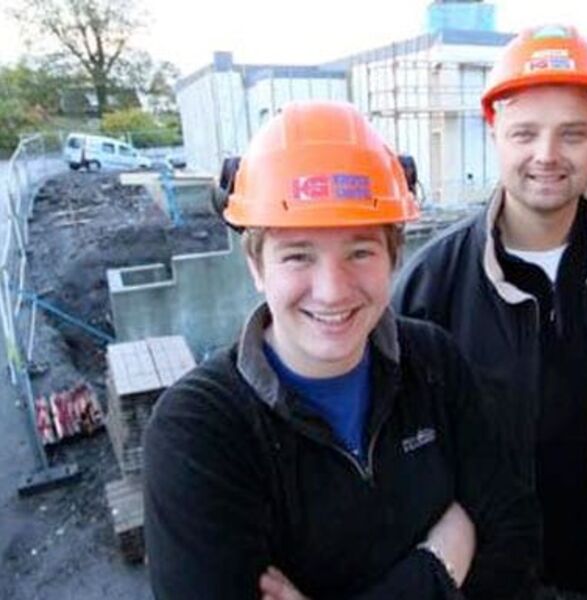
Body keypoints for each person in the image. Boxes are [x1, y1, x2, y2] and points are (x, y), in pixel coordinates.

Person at [143, 101, 539, 600]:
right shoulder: (199, 431)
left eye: (360, 252)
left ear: (394, 257)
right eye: (298, 256)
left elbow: (514, 539)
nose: (331, 291)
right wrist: (438, 566)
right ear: (257, 267)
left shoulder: (434, 364)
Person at [393, 25, 587, 599]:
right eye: (525, 133)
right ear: (493, 130)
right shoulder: (431, 287)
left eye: (573, 133)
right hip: (489, 587)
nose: (547, 155)